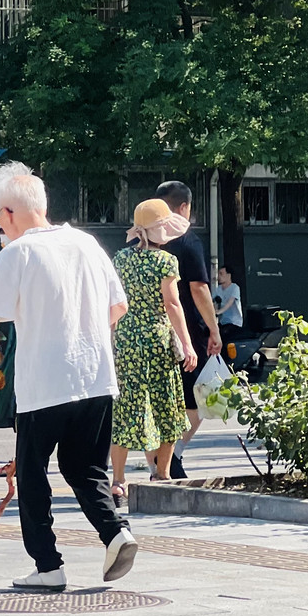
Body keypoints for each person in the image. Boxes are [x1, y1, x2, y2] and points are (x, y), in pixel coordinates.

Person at [0, 161, 137, 592]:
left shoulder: (16, 254)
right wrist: (84, 335)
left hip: (43, 384)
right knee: (86, 467)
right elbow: (118, 307)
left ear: (11, 212)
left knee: (33, 473)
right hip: (96, 379)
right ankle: (116, 533)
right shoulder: (87, 244)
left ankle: (48, 566)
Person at [109, 199, 198, 497]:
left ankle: (118, 481)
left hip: (126, 339)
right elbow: (173, 305)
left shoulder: (120, 258)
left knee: (126, 407)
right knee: (167, 403)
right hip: (158, 339)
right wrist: (187, 344)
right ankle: (162, 474)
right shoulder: (166, 261)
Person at [154, 180, 222, 479]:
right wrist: (214, 329)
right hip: (186, 332)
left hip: (145, 332)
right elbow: (199, 289)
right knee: (196, 398)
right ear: (185, 207)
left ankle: (159, 464)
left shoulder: (136, 244)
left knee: (155, 401)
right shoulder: (187, 241)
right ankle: (172, 457)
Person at [213, 265, 243, 330]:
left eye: (221, 274)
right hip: (223, 322)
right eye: (218, 274)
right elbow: (212, 301)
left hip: (234, 323)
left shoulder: (235, 288)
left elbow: (230, 303)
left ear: (229, 275)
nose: (219, 276)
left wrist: (218, 312)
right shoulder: (218, 289)